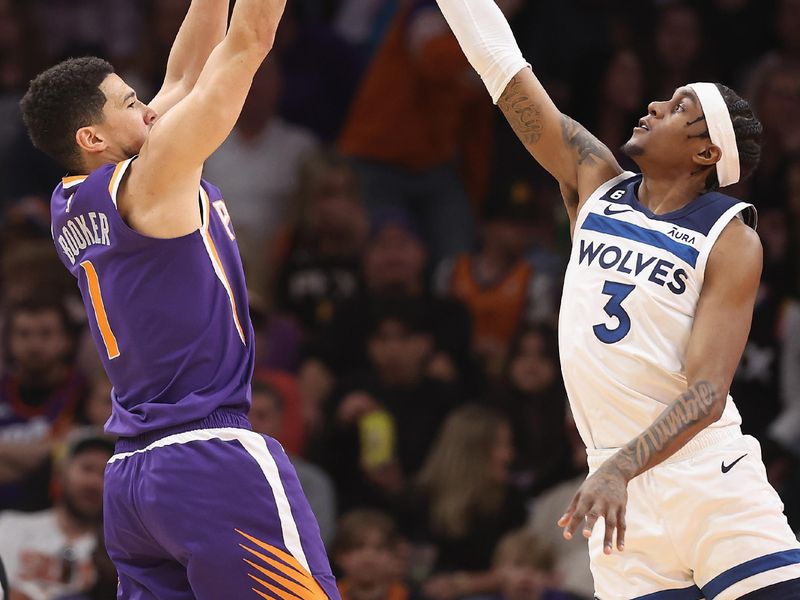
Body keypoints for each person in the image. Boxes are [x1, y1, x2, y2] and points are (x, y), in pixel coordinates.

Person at [434, 0, 800, 597]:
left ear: (708, 154)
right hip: (619, 490)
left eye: (681, 106)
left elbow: (707, 391)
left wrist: (621, 468)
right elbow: (503, 67)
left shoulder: (731, 236)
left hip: (705, 477)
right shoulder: (594, 180)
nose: (655, 104)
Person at [19, 0, 338, 598]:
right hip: (207, 456)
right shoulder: (155, 176)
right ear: (93, 136)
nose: (149, 106)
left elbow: (186, 77)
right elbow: (248, 42)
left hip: (134, 481)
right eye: (130, 104)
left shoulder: (75, 197)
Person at [0, 429, 113, 600]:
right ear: (60, 473)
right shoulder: (10, 525)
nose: (94, 483)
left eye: (105, 474)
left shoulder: (117, 553)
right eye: (87, 468)